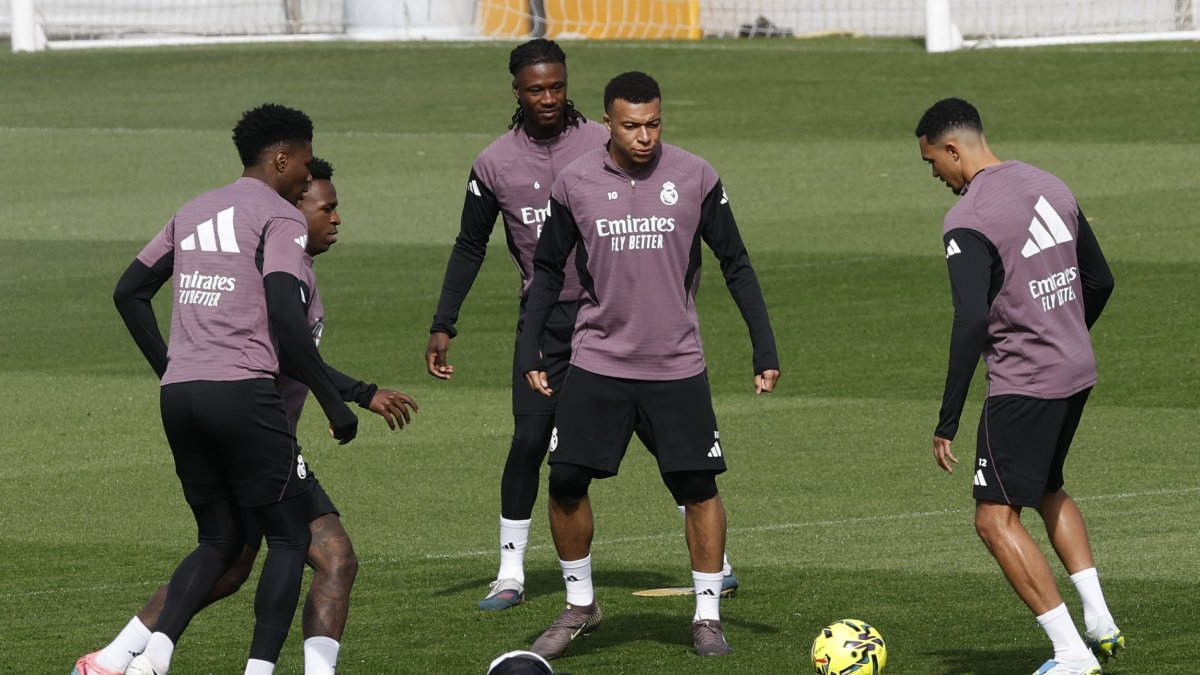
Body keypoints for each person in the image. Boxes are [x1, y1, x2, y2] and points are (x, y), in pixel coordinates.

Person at [425, 39, 739, 612]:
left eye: (557, 87)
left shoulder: (608, 141)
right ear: (516, 92)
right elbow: (470, 245)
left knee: (661, 436)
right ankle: (511, 572)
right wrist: (445, 320)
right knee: (529, 441)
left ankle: (715, 563)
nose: (548, 98)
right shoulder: (494, 162)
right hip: (547, 322)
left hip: (615, 316)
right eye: (536, 89)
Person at [75, 159, 417, 674]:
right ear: (292, 210)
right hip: (256, 434)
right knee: (331, 556)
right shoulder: (276, 269)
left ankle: (114, 658)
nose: (336, 218)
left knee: (228, 558)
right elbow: (285, 353)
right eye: (325, 207)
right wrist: (354, 394)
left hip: (235, 427)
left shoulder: (286, 269)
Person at [516, 71, 780, 659]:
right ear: (607, 122)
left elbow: (737, 263)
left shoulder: (695, 176)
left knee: (698, 486)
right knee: (563, 481)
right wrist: (529, 348)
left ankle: (707, 616)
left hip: (676, 364)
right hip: (598, 361)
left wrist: (764, 348)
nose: (644, 137)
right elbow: (547, 272)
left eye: (653, 124)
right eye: (632, 126)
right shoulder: (574, 182)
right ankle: (580, 604)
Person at [109, 104, 359, 675]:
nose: (305, 176)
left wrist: (170, 367)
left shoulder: (194, 209)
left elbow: (129, 292)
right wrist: (333, 400)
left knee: (220, 542)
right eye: (301, 163)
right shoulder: (280, 217)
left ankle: (149, 658)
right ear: (281, 158)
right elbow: (282, 311)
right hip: (244, 394)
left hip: (180, 397)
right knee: (292, 541)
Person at [915, 98, 1121, 675]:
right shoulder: (1049, 182)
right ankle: (1099, 621)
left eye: (933, 163)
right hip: (1076, 371)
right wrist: (1064, 334)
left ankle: (1070, 652)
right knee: (1048, 485)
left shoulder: (968, 219)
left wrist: (947, 418)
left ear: (953, 149)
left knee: (994, 518)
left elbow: (972, 320)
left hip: (1026, 384)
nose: (937, 176)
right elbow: (1100, 280)